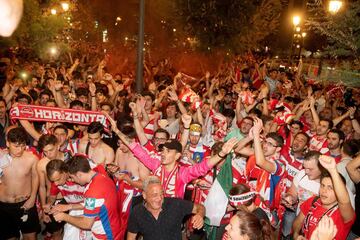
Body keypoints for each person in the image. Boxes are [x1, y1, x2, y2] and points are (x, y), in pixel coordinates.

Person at [53, 155, 121, 239]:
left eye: (72, 177)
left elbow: (86, 224)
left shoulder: (92, 192)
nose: (72, 180)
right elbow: (92, 205)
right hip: (112, 228)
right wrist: (69, 207)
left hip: (106, 235)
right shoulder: (101, 177)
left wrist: (64, 217)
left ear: (79, 174)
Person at [292, 155, 355, 240]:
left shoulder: (343, 213)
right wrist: (296, 235)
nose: (324, 191)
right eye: (322, 185)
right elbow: (298, 222)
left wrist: (333, 170)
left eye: (330, 188)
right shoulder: (313, 201)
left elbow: (344, 201)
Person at [127, 176, 205, 240]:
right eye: (155, 195)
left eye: (161, 194)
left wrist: (200, 215)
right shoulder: (137, 212)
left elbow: (200, 207)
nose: (160, 198)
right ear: (144, 195)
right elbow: (131, 237)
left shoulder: (175, 204)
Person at [0, 127, 40, 240]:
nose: (20, 150)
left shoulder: (32, 158)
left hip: (25, 204)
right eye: (16, 146)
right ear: (7, 143)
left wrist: (32, 199)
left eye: (22, 145)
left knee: (30, 237)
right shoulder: (0, 157)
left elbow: (36, 178)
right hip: (3, 206)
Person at [46, 159, 92, 240]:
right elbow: (52, 197)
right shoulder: (56, 183)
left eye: (58, 179)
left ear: (64, 172)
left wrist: (67, 210)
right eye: (53, 181)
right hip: (74, 209)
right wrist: (49, 205)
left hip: (90, 211)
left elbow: (91, 204)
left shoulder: (83, 178)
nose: (56, 183)